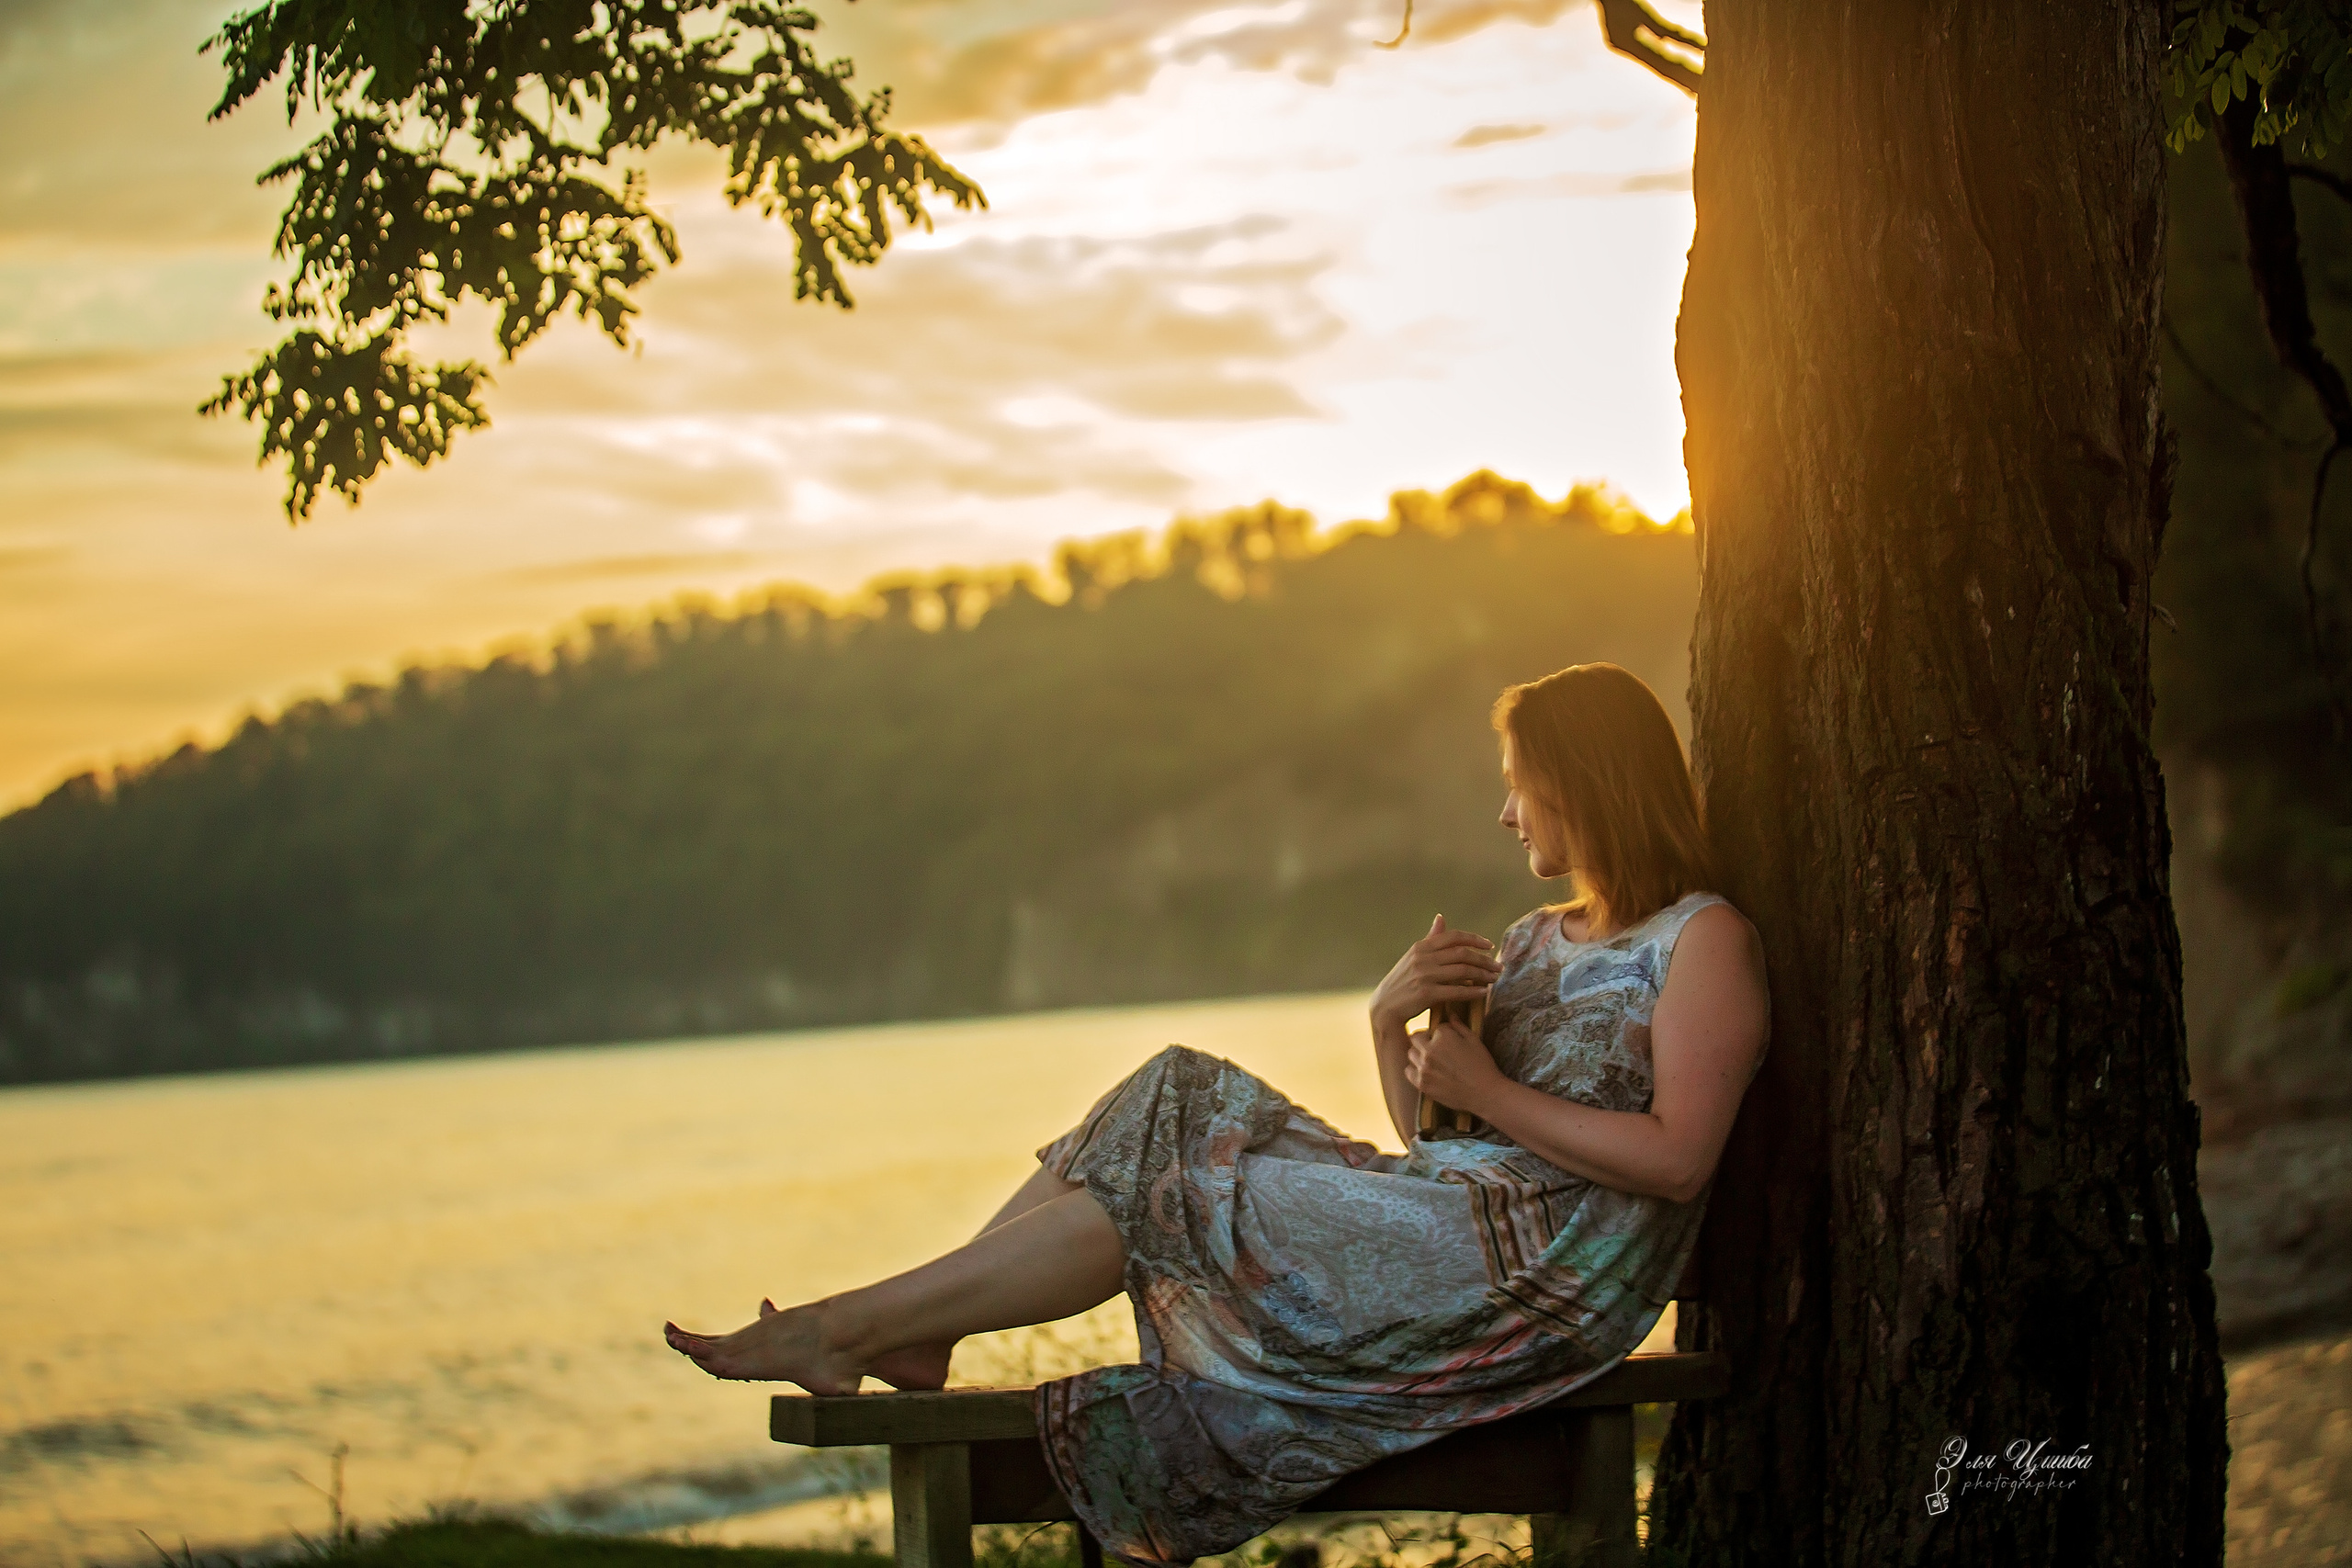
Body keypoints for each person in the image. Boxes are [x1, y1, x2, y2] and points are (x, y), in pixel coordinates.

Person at [664, 661, 1770, 1565]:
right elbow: (1440, 1149)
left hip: (1552, 1280)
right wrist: (1390, 1028)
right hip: (1456, 1223)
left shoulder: (1703, 940)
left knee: (1181, 1190)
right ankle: (924, 1325)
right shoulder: (1533, 940)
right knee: (1172, 1086)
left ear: (1582, 783)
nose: (1504, 808)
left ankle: (849, 1327)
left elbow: (1678, 1161)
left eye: (1519, 781)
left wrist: (1489, 1090)